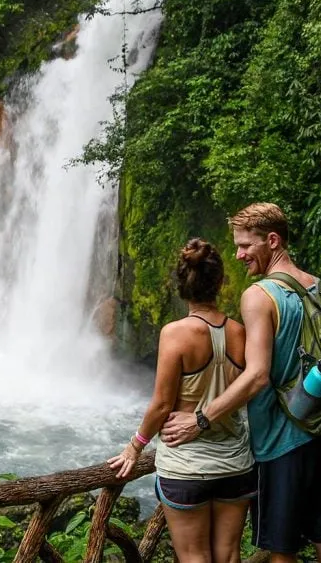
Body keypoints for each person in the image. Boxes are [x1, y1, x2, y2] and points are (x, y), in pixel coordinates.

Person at [161, 203, 321, 563]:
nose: (239, 254)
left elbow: (258, 374)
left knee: (282, 549)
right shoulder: (319, 288)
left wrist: (200, 418)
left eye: (246, 245)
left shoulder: (259, 295)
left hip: (282, 441)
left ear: (272, 240)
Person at [108, 238, 255, 563]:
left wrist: (136, 445)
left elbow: (162, 404)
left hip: (187, 467)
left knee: (193, 558)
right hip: (235, 463)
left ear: (180, 285)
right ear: (220, 282)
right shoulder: (240, 333)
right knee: (229, 556)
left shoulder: (175, 334)